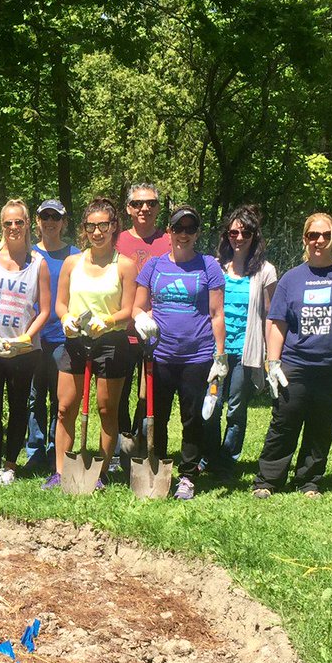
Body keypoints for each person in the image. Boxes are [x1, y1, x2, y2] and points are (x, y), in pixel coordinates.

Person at [253, 213, 332, 499]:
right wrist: (272, 362)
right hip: (296, 363)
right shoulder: (292, 279)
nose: (319, 240)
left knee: (322, 425)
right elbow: (277, 322)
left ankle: (308, 481)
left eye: (325, 235)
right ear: (305, 239)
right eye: (313, 235)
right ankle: (267, 480)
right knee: (284, 420)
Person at [132, 205, 225, 500]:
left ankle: (187, 475)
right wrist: (141, 319)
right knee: (155, 416)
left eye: (190, 229)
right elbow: (137, 305)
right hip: (159, 355)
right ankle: (157, 466)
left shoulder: (208, 266)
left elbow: (216, 313)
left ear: (196, 233)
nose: (183, 234)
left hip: (196, 356)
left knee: (192, 418)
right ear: (169, 231)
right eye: (178, 228)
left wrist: (219, 357)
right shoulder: (154, 266)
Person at [46, 199, 137, 490]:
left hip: (111, 343)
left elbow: (128, 310)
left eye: (103, 225)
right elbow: (60, 304)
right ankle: (61, 472)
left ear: (114, 227)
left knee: (107, 410)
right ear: (84, 229)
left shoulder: (124, 265)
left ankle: (100, 473)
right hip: (75, 340)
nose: (97, 232)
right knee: (65, 408)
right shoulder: (73, 263)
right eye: (91, 226)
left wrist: (108, 322)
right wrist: (66, 319)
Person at [0, 199, 50, 484]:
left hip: (23, 350)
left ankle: (11, 464)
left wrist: (27, 337)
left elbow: (46, 310)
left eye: (19, 222)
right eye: (8, 223)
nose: (14, 227)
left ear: (28, 224)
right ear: (1, 226)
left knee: (18, 407)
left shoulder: (38, 263)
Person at [201, 205, 278, 481]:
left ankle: (226, 460)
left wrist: (272, 357)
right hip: (216, 350)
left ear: (254, 236)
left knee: (235, 407)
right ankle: (207, 454)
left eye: (245, 232)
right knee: (212, 403)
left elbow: (270, 315)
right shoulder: (215, 265)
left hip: (245, 351)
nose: (239, 237)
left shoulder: (266, 271)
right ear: (226, 235)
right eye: (234, 232)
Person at [115, 183, 172, 455]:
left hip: (157, 331)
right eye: (137, 204)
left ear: (158, 208)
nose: (144, 208)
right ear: (128, 208)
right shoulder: (117, 240)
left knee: (152, 394)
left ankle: (145, 441)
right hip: (121, 330)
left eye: (150, 203)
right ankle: (120, 446)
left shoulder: (169, 241)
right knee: (119, 392)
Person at [25, 198, 80, 473]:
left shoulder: (74, 255)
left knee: (60, 398)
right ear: (37, 222)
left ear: (64, 222)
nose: (50, 223)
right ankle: (35, 450)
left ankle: (54, 449)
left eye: (55, 218)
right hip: (33, 336)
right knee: (35, 395)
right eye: (45, 217)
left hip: (62, 337)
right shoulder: (28, 254)